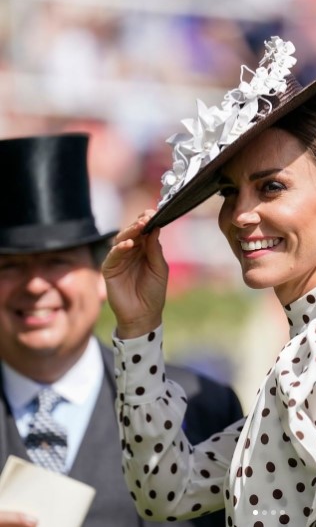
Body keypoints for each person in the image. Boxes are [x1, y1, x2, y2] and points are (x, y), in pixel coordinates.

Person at [102, 36, 316, 526]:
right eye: (231, 193)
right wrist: (139, 328)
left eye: (272, 187)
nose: (241, 215)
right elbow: (167, 491)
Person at [0, 133, 243, 527]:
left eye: (58, 262)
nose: (35, 285)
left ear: (101, 277)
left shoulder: (202, 407)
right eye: (11, 266)